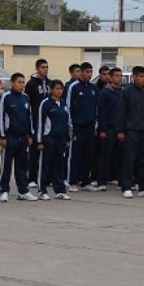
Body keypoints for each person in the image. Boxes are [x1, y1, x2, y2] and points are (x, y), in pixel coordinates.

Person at [0, 73, 38, 202]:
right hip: (10, 137)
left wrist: (30, 134)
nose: (22, 85)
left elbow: (29, 117)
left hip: (23, 137)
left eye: (23, 82)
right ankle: (4, 191)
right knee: (6, 165)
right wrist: (2, 136)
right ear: (12, 83)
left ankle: (23, 191)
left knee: (22, 165)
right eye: (19, 82)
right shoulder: (6, 97)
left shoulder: (25, 98)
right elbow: (0, 117)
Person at [116, 67, 144, 198]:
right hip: (131, 131)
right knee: (129, 160)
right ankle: (126, 187)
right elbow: (121, 112)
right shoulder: (126, 91)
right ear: (134, 77)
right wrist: (120, 130)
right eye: (141, 76)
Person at [36, 79, 71, 200]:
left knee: (59, 165)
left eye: (61, 89)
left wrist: (67, 139)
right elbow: (40, 122)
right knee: (45, 165)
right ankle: (42, 190)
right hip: (48, 138)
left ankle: (60, 190)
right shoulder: (45, 103)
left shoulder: (63, 104)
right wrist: (40, 141)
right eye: (57, 89)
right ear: (51, 90)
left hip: (61, 140)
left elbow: (67, 123)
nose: (59, 91)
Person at [66, 62, 98, 191]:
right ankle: (72, 181)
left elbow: (96, 108)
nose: (89, 74)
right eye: (87, 72)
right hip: (77, 127)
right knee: (75, 155)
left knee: (88, 154)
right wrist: (70, 125)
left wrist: (96, 125)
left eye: (91, 72)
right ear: (81, 72)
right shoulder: (73, 87)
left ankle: (85, 181)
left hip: (90, 127)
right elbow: (68, 107)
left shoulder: (93, 88)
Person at [96, 68, 122, 191]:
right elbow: (101, 112)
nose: (119, 78)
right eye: (116, 76)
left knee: (120, 156)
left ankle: (120, 180)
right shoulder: (105, 93)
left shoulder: (122, 92)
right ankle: (102, 181)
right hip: (108, 128)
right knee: (106, 156)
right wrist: (102, 129)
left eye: (120, 76)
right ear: (111, 78)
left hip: (119, 128)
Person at [25, 59, 50, 188]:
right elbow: (28, 104)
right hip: (35, 121)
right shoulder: (31, 84)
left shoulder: (49, 83)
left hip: (47, 123)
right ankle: (32, 178)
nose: (45, 69)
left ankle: (45, 177)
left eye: (46, 67)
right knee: (34, 151)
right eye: (42, 67)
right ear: (37, 68)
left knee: (47, 151)